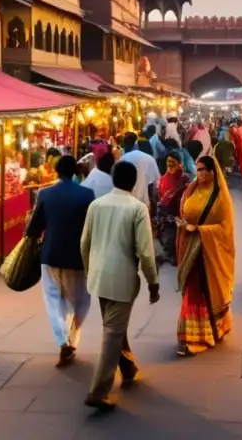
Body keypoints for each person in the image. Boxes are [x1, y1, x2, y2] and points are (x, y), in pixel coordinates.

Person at [80, 161, 160, 411]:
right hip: (122, 278)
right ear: (134, 182)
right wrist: (153, 282)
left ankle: (127, 367)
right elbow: (146, 252)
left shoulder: (96, 205)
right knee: (112, 332)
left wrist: (88, 271)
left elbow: (85, 243)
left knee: (114, 325)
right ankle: (98, 390)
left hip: (99, 277)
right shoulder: (137, 208)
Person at [26, 154, 95, 368]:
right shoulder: (87, 194)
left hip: (50, 255)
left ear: (56, 171)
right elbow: (91, 227)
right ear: (75, 171)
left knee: (53, 300)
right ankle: (72, 340)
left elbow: (33, 228)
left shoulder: (45, 194)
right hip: (77, 257)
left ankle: (62, 340)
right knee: (81, 300)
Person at [176, 155, 236, 356]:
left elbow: (224, 229)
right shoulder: (191, 189)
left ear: (212, 172)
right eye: (198, 169)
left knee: (200, 290)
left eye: (204, 170)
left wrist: (200, 230)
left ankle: (198, 338)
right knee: (191, 291)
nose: (200, 174)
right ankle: (191, 335)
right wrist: (184, 226)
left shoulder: (220, 197)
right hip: (189, 246)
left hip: (208, 251)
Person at [154, 150, 189, 265]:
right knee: (166, 236)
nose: (170, 165)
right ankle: (168, 254)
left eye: (173, 162)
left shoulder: (184, 180)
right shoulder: (163, 179)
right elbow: (160, 196)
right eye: (168, 162)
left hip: (179, 213)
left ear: (180, 164)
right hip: (165, 214)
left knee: (175, 237)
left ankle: (174, 255)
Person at [120, 131, 159, 209]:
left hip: (126, 205)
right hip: (144, 203)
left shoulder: (122, 159)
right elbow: (156, 184)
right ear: (136, 143)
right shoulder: (148, 158)